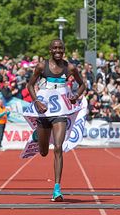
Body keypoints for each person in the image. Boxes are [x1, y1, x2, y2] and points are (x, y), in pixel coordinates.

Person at [27, 39, 87, 202]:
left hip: (61, 111)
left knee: (59, 147)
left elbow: (82, 84)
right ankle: (37, 136)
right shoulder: (41, 66)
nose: (58, 50)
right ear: (50, 50)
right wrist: (36, 102)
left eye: (60, 48)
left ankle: (57, 189)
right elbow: (30, 85)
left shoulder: (70, 68)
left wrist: (75, 96)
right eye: (55, 48)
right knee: (44, 152)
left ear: (64, 49)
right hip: (44, 112)